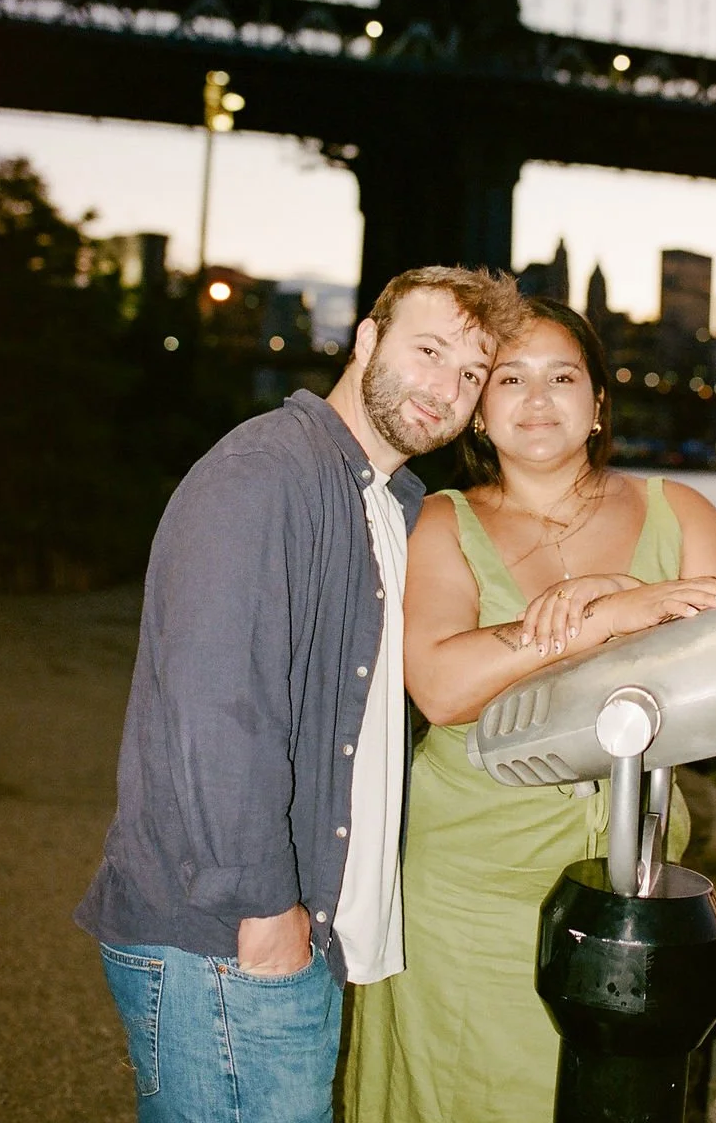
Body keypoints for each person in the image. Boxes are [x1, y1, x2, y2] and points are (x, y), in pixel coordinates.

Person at [75, 265, 524, 1123]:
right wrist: (263, 905)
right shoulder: (265, 474)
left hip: (296, 924)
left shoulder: (397, 503)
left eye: (471, 374)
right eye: (428, 350)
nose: (447, 387)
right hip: (227, 940)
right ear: (367, 340)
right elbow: (216, 711)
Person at [344, 297, 716, 1123]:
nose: (537, 400)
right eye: (509, 379)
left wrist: (629, 592)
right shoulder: (441, 519)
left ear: (598, 401)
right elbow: (440, 685)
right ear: (479, 409)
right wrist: (599, 619)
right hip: (470, 875)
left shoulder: (678, 511)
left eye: (561, 376)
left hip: (633, 882)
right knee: (457, 1092)